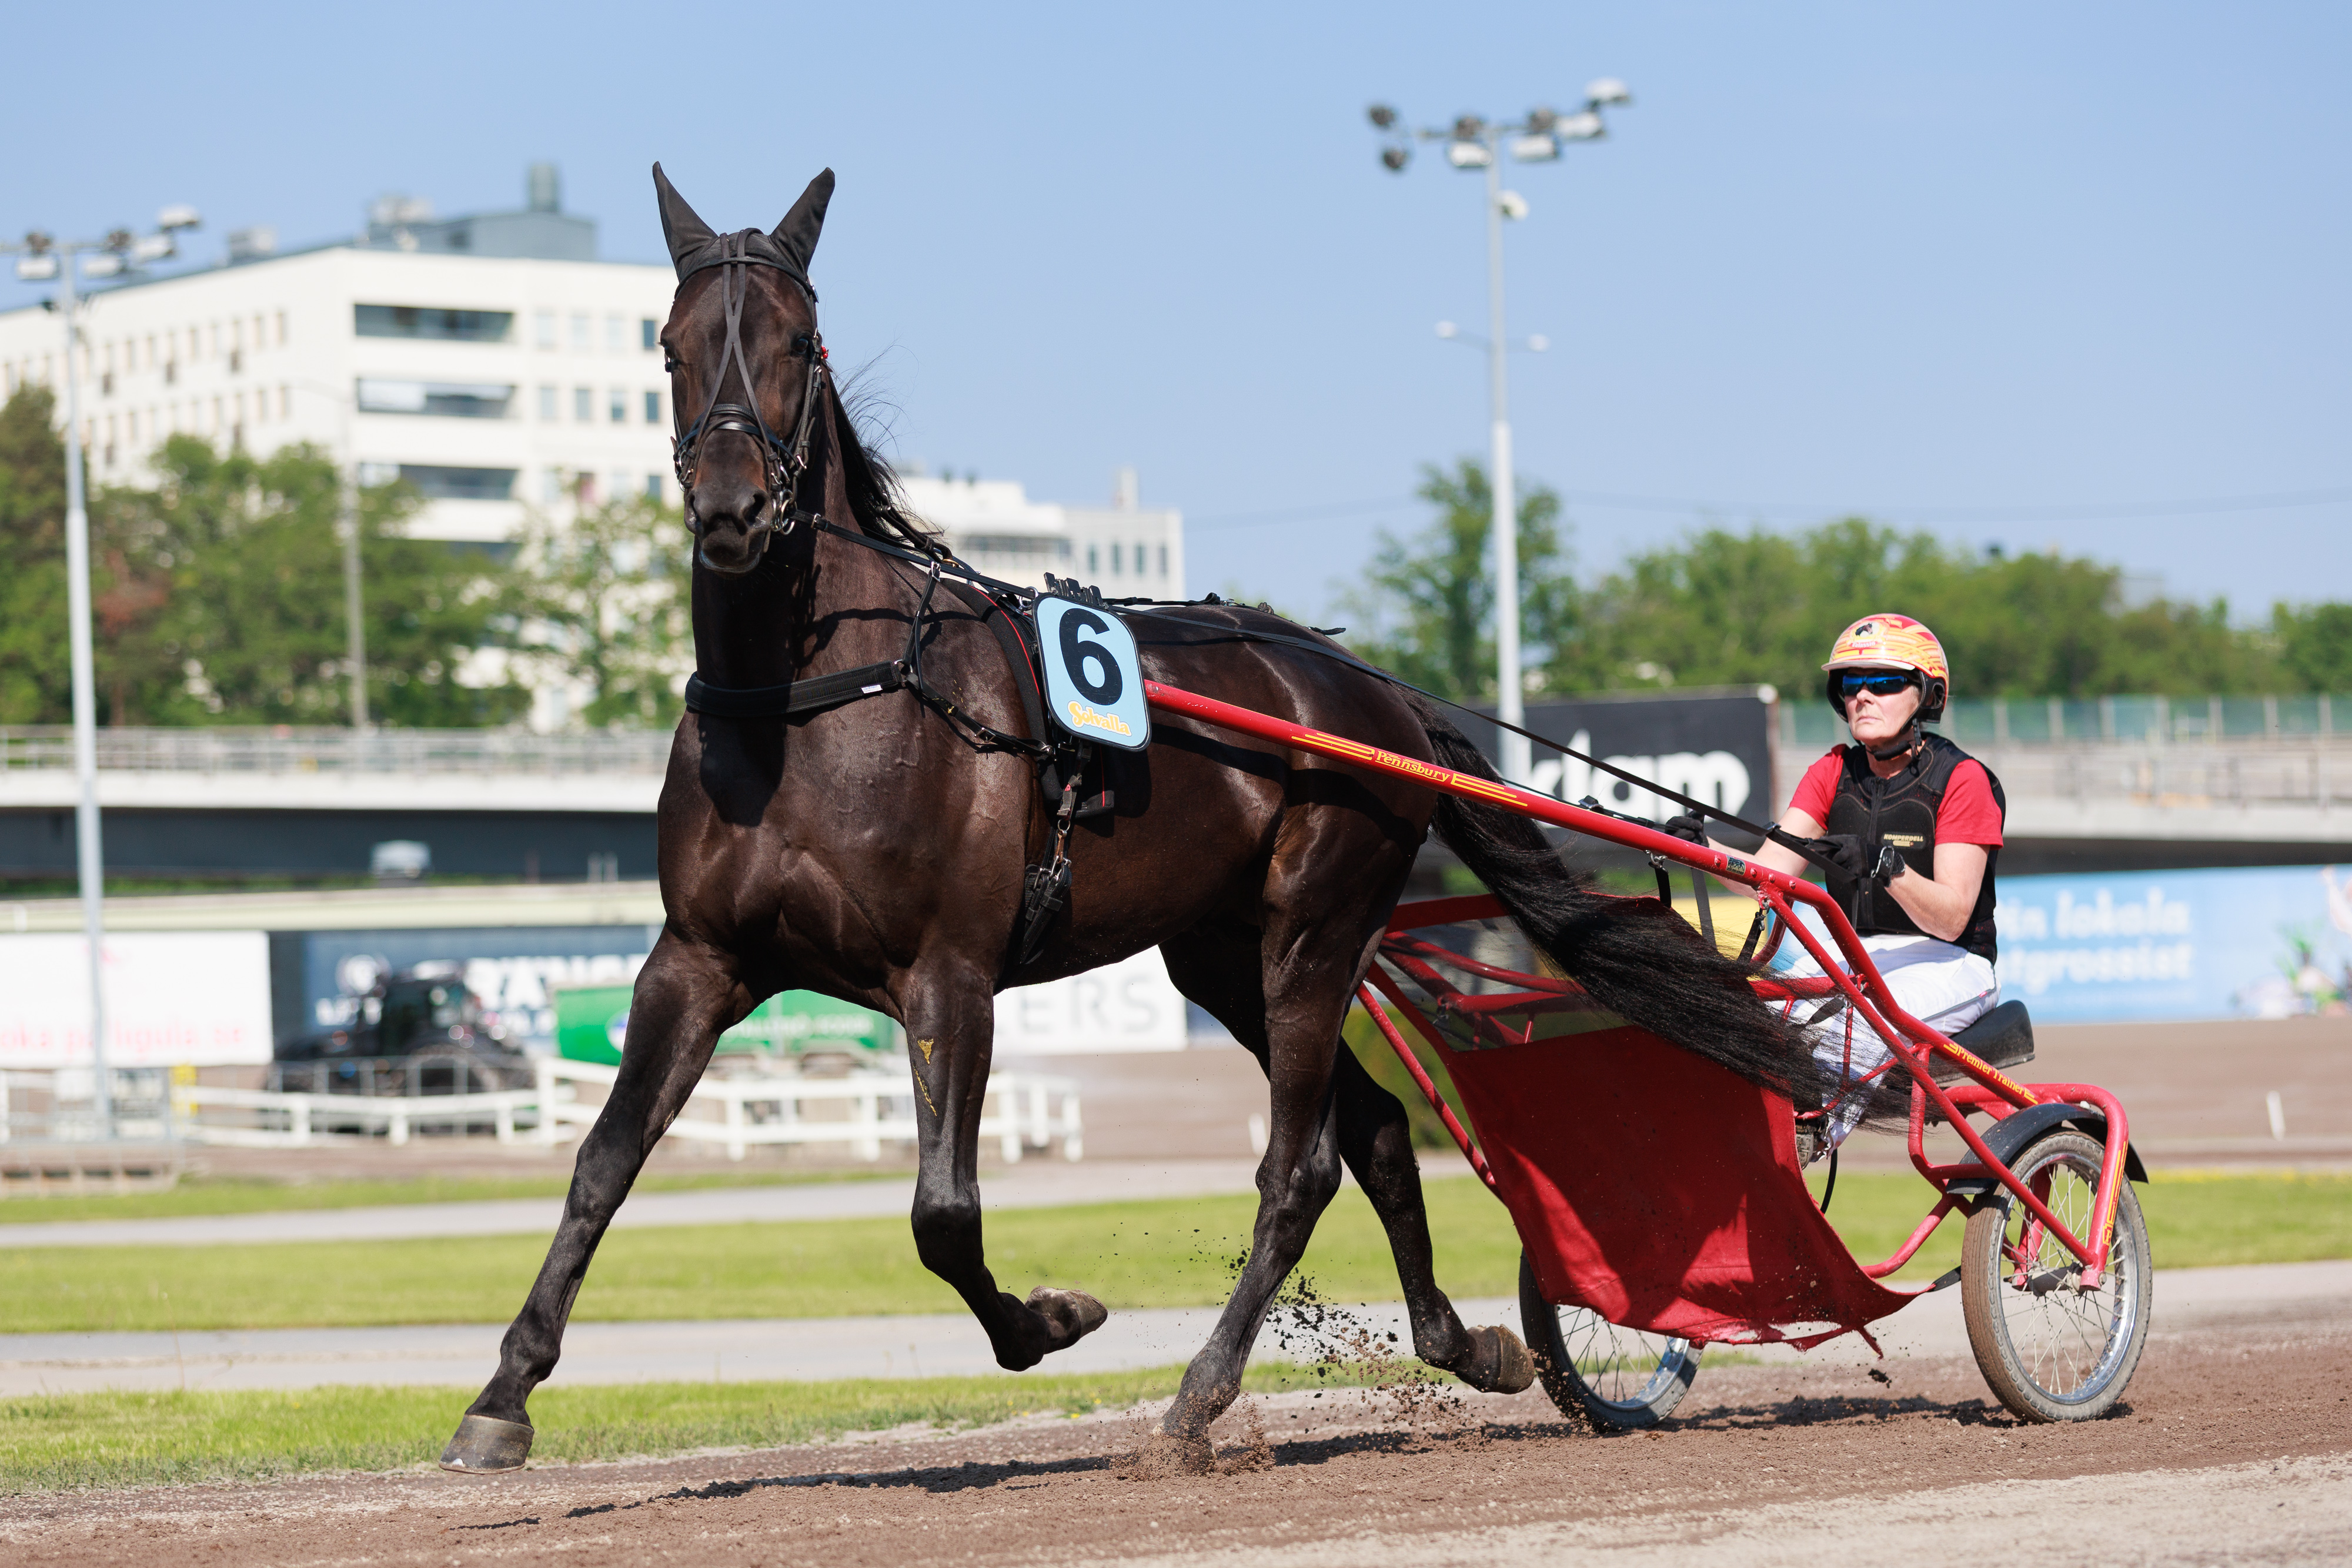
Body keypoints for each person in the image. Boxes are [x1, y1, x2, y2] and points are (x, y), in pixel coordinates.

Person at [1685, 613, 2006, 1157]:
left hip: (1951, 962)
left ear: (1928, 695)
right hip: (1857, 954)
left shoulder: (1963, 779)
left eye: (1884, 681)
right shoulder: (1832, 771)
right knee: (1745, 997)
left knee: (1859, 1017)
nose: (1863, 695)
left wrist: (1885, 865)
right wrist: (1699, 847)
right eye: (1851, 683)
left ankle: (1806, 1136)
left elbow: (1952, 918)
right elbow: (1767, 876)